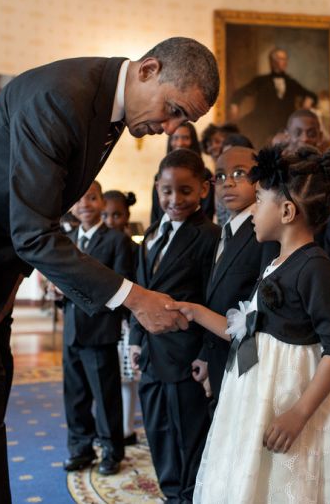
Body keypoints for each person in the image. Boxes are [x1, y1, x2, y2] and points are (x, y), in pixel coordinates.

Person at [0, 36, 219, 503]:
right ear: (148, 69)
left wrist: (8, 284)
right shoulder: (62, 97)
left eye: (183, 121)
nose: (170, 127)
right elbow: (33, 231)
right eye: (173, 109)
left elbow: (33, 215)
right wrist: (134, 297)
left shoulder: (105, 108)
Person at [170, 145, 330, 503]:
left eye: (260, 200)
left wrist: (298, 413)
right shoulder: (276, 263)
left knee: (290, 482)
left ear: (288, 211)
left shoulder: (315, 267)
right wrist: (195, 311)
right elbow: (250, 331)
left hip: (291, 399)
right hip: (258, 395)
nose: (255, 210)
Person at [128, 149, 221, 502]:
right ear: (156, 188)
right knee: (157, 431)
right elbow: (139, 289)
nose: (174, 199)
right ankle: (171, 493)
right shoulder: (152, 233)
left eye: (185, 190)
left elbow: (213, 300)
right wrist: (136, 339)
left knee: (187, 437)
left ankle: (187, 496)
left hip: (185, 359)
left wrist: (204, 353)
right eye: (167, 190)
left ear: (202, 190)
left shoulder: (210, 236)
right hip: (151, 356)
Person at [193, 146, 279, 411]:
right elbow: (217, 298)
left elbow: (262, 305)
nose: (227, 182)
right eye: (219, 176)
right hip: (219, 354)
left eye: (239, 173)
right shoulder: (223, 231)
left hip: (248, 361)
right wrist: (206, 354)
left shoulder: (264, 231)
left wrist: (245, 366)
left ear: (259, 178)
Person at [57, 181, 134, 475]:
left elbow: (121, 285)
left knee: (105, 395)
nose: (85, 204)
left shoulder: (116, 241)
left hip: (100, 329)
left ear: (101, 202)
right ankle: (80, 448)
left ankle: (111, 451)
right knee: (74, 395)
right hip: (72, 331)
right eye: (79, 199)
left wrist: (77, 292)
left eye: (92, 198)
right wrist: (57, 295)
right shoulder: (66, 240)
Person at [285, 109, 330, 285]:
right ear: (287, 135)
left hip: (323, 260)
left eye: (311, 133)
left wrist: (328, 261)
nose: (305, 138)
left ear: (320, 136)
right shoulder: (282, 170)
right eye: (298, 132)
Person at [102, 189, 141, 446]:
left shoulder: (132, 247)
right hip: (105, 323)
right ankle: (112, 427)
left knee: (128, 379)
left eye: (117, 215)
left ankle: (127, 428)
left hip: (126, 321)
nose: (111, 221)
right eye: (105, 215)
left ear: (127, 216)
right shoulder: (100, 245)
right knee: (110, 378)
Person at [229, 47, 318, 147]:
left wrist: (308, 102)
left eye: (285, 59)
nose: (284, 62)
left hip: (285, 124)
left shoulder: (291, 83)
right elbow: (239, 94)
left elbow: (312, 95)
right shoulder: (261, 81)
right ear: (272, 62)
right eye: (280, 59)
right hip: (264, 125)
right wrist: (234, 107)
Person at [151, 122, 216, 225]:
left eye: (185, 138)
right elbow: (155, 213)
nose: (180, 143)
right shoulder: (159, 176)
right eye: (175, 138)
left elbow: (208, 212)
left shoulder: (206, 174)